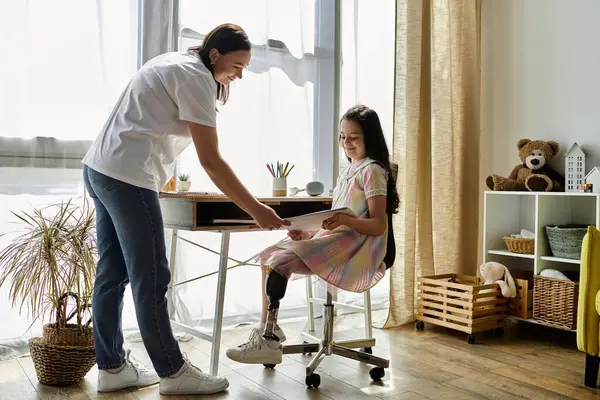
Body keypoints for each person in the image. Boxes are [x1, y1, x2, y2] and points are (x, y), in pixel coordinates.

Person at [81, 23, 288, 395]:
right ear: (215, 55)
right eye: (237, 66)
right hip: (129, 176)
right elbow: (210, 160)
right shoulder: (196, 78)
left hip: (100, 169)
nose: (238, 76)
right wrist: (256, 209)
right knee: (153, 278)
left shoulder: (176, 61)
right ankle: (174, 373)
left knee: (112, 274)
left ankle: (112, 368)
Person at [225, 105, 400, 365]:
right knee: (268, 256)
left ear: (370, 138)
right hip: (340, 239)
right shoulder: (349, 169)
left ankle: (269, 339)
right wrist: (307, 233)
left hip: (360, 247)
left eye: (353, 137)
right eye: (342, 136)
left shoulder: (372, 170)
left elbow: (377, 225)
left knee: (280, 262)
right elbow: (334, 221)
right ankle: (268, 331)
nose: (346, 143)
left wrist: (345, 220)